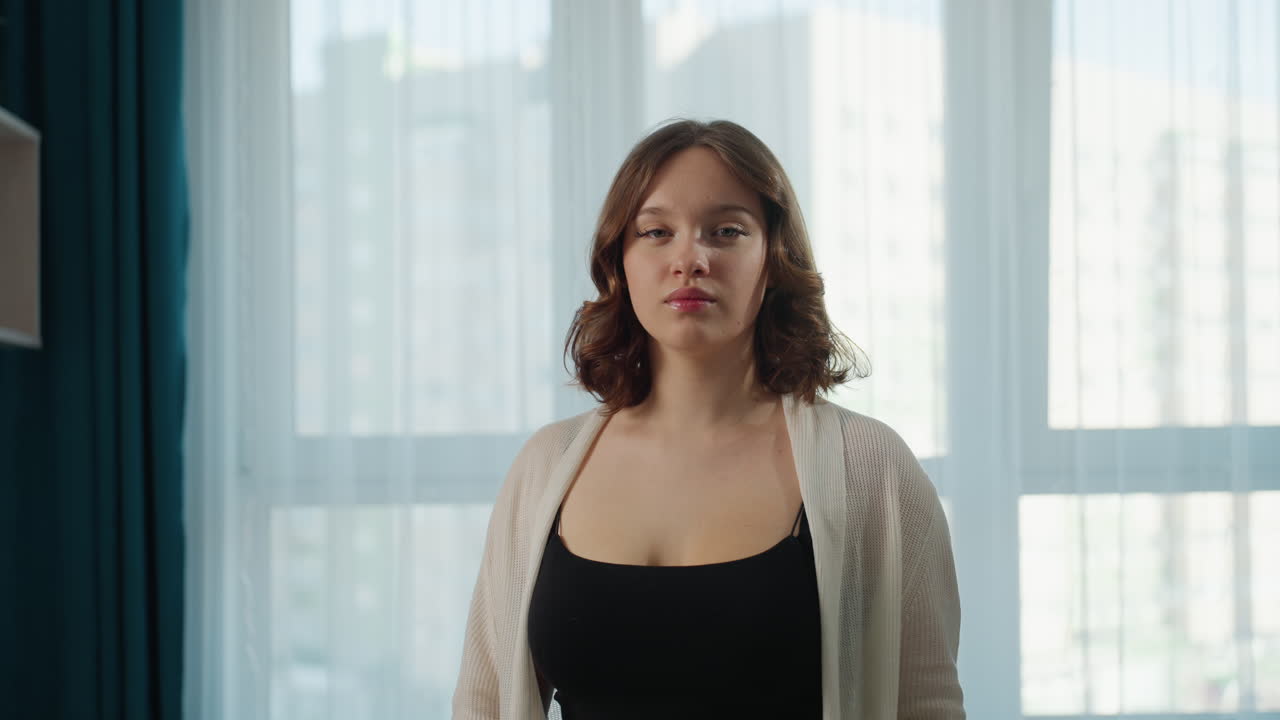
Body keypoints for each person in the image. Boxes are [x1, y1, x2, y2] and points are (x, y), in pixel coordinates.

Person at [452, 118, 964, 719]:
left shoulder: (870, 468)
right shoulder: (546, 467)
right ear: (620, 259)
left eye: (725, 231)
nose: (689, 259)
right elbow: (484, 701)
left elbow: (926, 704)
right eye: (656, 232)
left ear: (773, 257)